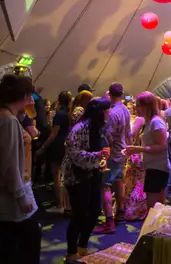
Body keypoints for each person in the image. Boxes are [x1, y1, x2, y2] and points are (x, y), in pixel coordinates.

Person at [0, 75, 41, 264]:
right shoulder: (8, 122)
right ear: (23, 96)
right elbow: (10, 164)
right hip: (9, 196)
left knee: (8, 243)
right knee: (28, 240)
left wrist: (21, 114)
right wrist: (22, 197)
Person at [62, 98, 110, 260]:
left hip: (93, 174)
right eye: (107, 109)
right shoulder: (80, 128)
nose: (109, 112)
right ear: (100, 112)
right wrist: (97, 156)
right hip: (77, 177)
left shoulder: (98, 127)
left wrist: (101, 160)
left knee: (95, 210)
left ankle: (82, 246)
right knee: (79, 214)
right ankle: (71, 252)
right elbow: (73, 153)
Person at [94, 83, 130, 234]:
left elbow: (109, 135)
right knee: (119, 180)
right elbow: (128, 133)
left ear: (110, 94)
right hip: (122, 150)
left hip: (113, 152)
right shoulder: (125, 109)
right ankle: (121, 212)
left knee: (105, 185)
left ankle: (109, 221)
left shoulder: (112, 113)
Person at [125, 92, 169, 209]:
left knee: (153, 207)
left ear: (147, 106)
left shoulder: (155, 122)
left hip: (158, 168)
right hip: (153, 167)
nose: (136, 108)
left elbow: (162, 145)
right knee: (157, 207)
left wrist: (139, 149)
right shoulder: (149, 121)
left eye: (138, 105)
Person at [37, 90, 72, 212]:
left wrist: (42, 148)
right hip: (67, 144)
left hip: (58, 145)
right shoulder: (70, 113)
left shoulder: (60, 114)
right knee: (63, 175)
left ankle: (60, 204)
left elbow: (53, 134)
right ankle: (66, 203)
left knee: (56, 174)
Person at [122, 114, 147, 221]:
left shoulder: (140, 119)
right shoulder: (150, 119)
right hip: (140, 155)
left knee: (134, 183)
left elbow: (131, 135)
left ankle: (132, 209)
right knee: (137, 183)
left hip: (138, 154)